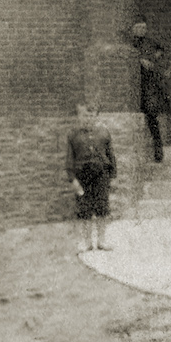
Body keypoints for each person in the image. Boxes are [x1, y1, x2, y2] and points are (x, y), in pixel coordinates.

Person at [65, 103, 115, 252]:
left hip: (101, 175)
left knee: (102, 208)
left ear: (96, 117)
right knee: (84, 209)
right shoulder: (73, 135)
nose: (88, 119)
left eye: (92, 116)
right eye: (85, 115)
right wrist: (72, 179)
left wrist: (112, 176)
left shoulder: (104, 133)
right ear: (80, 116)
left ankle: (101, 241)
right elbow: (69, 159)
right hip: (82, 177)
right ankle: (87, 242)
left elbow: (111, 156)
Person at [130, 19, 171, 160]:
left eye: (144, 27)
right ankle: (156, 149)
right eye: (138, 27)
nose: (141, 30)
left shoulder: (150, 42)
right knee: (149, 113)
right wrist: (139, 60)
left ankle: (160, 148)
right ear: (133, 29)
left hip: (152, 82)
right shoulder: (130, 43)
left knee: (164, 107)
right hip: (137, 85)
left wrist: (157, 55)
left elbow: (161, 50)